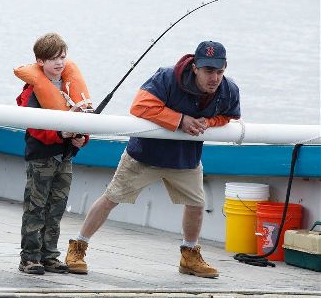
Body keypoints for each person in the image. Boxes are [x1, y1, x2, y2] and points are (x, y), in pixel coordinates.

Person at [65, 40, 240, 278]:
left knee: (197, 205)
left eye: (219, 71)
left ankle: (189, 256)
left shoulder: (229, 90)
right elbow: (140, 106)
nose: (215, 78)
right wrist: (181, 120)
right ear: (195, 67)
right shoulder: (166, 78)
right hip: (145, 155)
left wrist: (209, 122)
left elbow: (227, 116)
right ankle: (78, 247)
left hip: (184, 157)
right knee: (111, 198)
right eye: (209, 71)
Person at [14, 33, 91, 275]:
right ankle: (29, 257)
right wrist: (61, 136)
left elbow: (85, 119)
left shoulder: (69, 88)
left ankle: (49, 256)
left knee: (56, 208)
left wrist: (80, 139)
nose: (59, 63)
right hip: (41, 159)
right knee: (35, 208)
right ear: (40, 62)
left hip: (65, 158)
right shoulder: (33, 91)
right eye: (53, 59)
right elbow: (35, 127)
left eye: (62, 57)